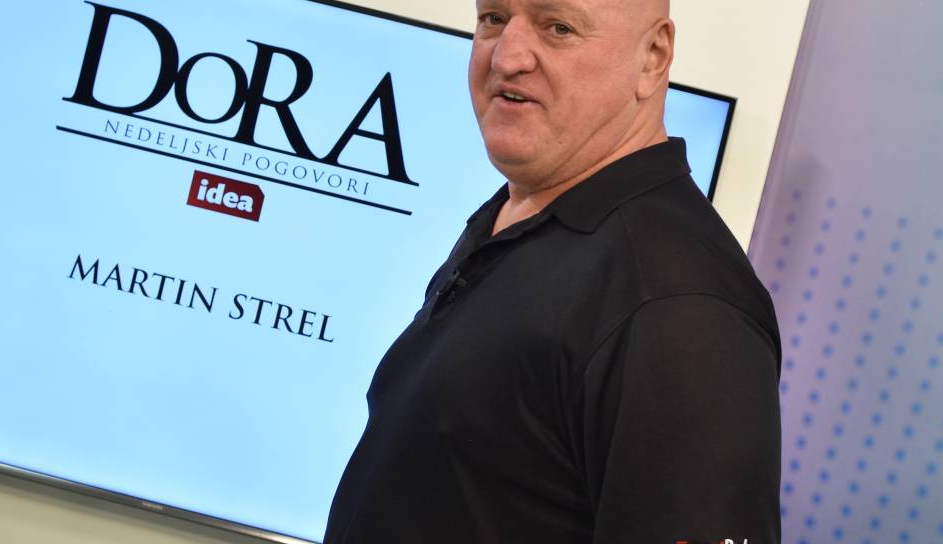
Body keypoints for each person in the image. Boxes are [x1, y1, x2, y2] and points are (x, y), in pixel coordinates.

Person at [323, 0, 782, 542]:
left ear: (653, 57)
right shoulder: (524, 218)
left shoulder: (678, 307)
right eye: (493, 18)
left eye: (558, 27)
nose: (507, 57)